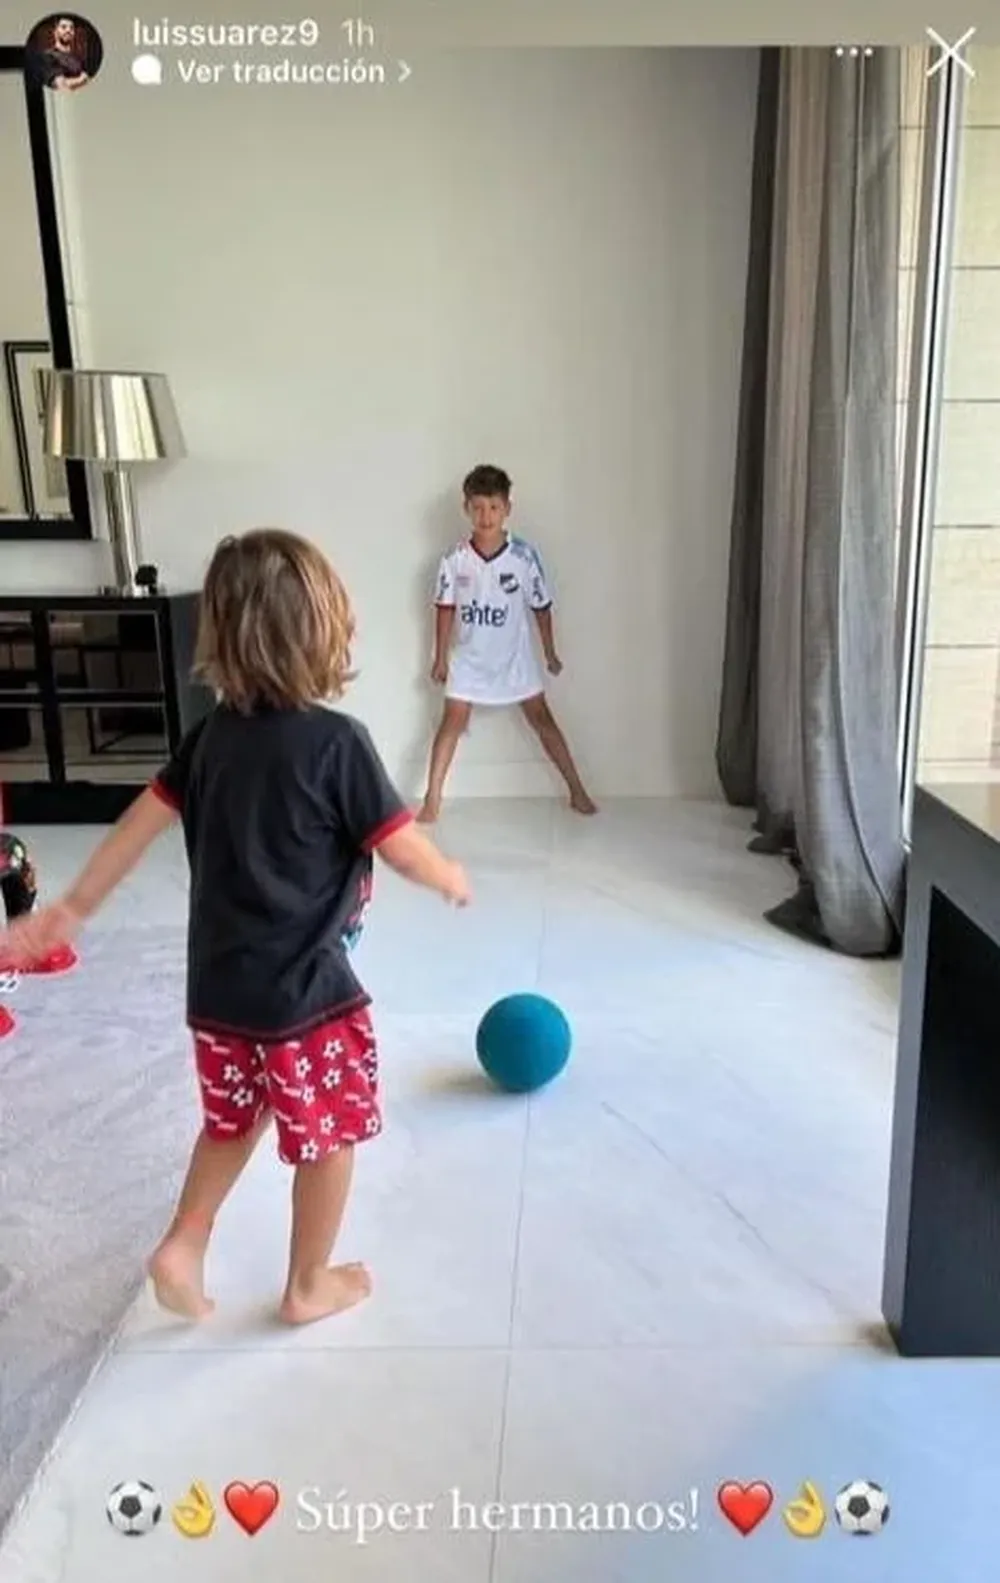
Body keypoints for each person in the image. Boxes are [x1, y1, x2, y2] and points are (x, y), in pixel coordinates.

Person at [0, 529, 471, 1326]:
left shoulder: (207, 740)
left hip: (217, 993)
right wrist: (446, 872)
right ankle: (307, 1282)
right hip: (306, 997)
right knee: (329, 1135)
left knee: (234, 1117)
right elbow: (400, 847)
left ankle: (184, 1241)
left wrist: (71, 908)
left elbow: (134, 826)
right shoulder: (338, 745)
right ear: (321, 630)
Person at [418, 464, 596, 823]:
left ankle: (577, 790)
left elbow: (541, 607)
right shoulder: (454, 560)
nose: (486, 516)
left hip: (514, 658)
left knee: (543, 720)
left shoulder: (523, 557)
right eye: (478, 507)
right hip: (468, 658)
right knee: (450, 723)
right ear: (466, 507)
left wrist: (549, 653)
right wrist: (440, 659)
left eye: (494, 507)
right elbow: (444, 609)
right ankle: (432, 799)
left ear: (507, 509)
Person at [29, 17, 91, 90]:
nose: (68, 30)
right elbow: (61, 86)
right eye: (63, 27)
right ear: (55, 32)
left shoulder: (78, 58)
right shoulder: (48, 56)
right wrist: (81, 80)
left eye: (71, 28)